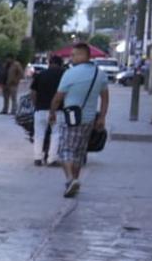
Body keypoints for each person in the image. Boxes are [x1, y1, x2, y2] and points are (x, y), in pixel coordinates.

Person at [49, 43, 109, 198]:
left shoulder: (71, 73)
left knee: (65, 150)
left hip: (71, 118)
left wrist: (52, 112)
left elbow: (58, 97)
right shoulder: (100, 74)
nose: (72, 57)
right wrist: (102, 117)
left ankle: (70, 179)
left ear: (84, 56)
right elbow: (105, 98)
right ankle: (74, 180)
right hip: (89, 120)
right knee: (79, 152)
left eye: (74, 54)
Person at [29, 54, 66, 166]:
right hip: (57, 110)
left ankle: (37, 158)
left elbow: (33, 92)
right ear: (61, 64)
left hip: (40, 109)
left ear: (49, 63)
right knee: (56, 134)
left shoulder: (41, 75)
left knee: (39, 134)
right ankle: (51, 159)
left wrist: (36, 105)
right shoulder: (64, 75)